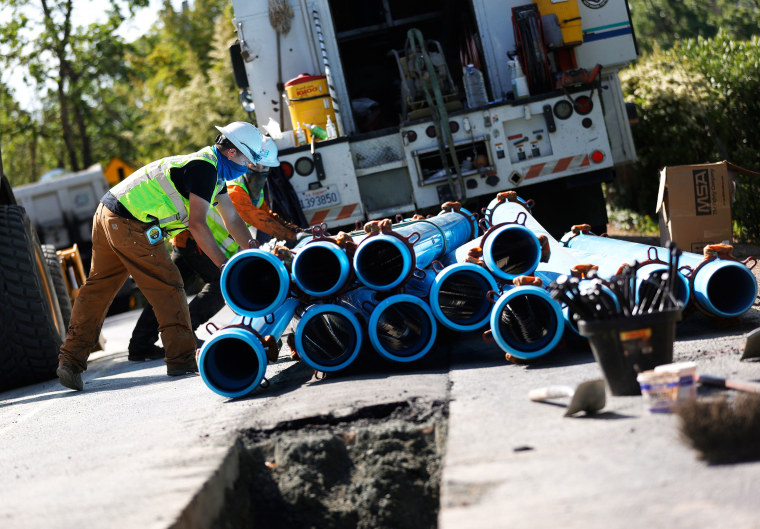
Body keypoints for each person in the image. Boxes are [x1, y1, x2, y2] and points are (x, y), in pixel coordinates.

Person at [56, 122, 262, 391]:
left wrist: (255, 255)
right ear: (233, 152)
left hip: (108, 212)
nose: (248, 166)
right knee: (168, 285)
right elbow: (197, 224)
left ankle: (69, 363)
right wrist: (223, 266)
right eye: (248, 159)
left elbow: (233, 219)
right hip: (129, 222)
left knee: (98, 289)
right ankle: (182, 360)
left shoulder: (213, 172)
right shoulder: (205, 169)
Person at [126, 135, 303, 361]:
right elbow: (254, 219)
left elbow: (267, 216)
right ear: (250, 163)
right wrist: (292, 236)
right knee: (221, 287)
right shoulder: (235, 187)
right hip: (195, 242)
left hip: (194, 241)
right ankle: (183, 336)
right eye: (260, 168)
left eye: (266, 171)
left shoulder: (252, 192)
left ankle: (140, 344)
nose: (263, 174)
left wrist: (293, 232)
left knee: (170, 290)